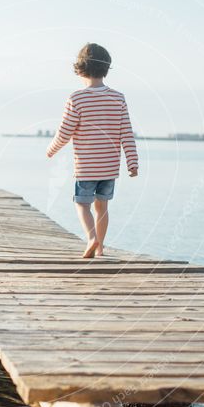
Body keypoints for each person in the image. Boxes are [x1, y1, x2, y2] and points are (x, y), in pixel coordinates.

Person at [46, 43, 138, 258]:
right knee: (102, 207)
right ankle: (101, 248)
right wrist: (132, 163)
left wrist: (51, 150)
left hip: (87, 167)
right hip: (109, 168)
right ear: (106, 68)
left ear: (80, 68)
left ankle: (91, 238)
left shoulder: (77, 99)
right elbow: (127, 133)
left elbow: (64, 133)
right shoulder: (118, 98)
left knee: (82, 204)